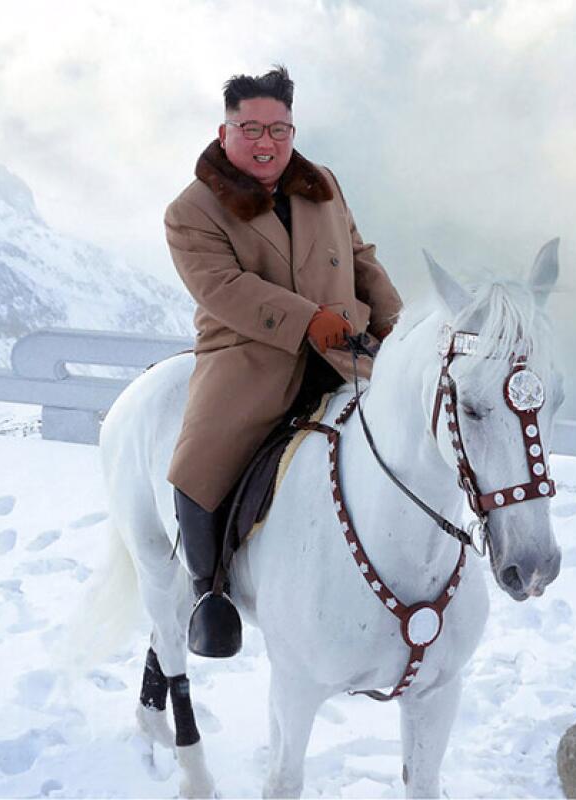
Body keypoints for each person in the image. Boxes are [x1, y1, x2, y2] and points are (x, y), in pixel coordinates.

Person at [164, 65, 403, 658]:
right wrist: (305, 320)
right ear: (225, 133)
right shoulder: (191, 210)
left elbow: (358, 255)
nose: (266, 141)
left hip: (345, 346)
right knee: (200, 459)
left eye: (280, 129)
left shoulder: (321, 182)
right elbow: (223, 288)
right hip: (250, 353)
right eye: (251, 128)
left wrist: (394, 320)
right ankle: (208, 592)